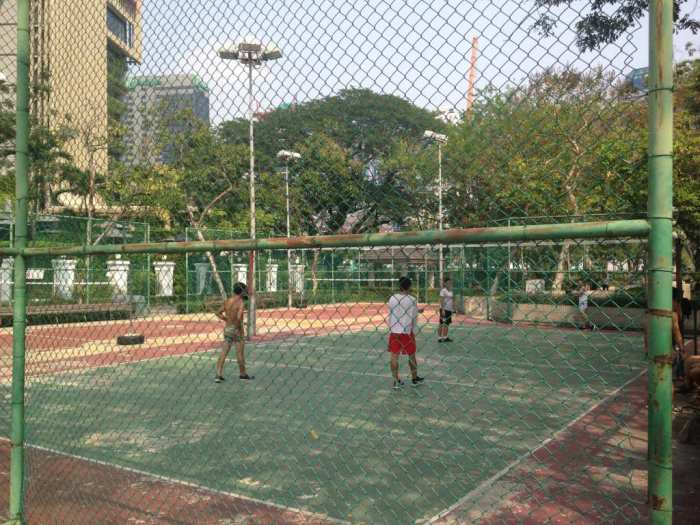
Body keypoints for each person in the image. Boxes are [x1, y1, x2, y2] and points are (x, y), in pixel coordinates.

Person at [387, 276, 424, 389]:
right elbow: (412, 315)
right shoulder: (412, 299)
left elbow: (395, 311)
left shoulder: (392, 298)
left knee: (394, 356)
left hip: (394, 331)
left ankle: (395, 380)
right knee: (411, 356)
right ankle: (414, 378)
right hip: (406, 331)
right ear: (410, 286)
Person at [215, 282, 254, 382]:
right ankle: (242, 373)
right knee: (240, 353)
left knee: (224, 352)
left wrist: (227, 319)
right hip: (237, 329)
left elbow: (218, 312)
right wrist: (240, 327)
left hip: (228, 328)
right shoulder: (240, 303)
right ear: (241, 292)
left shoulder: (228, 301)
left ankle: (218, 374)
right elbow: (238, 317)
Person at [438, 278, 454, 343]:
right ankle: (439, 338)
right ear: (445, 284)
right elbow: (441, 300)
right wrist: (443, 310)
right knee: (442, 324)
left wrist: (453, 309)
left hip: (449, 310)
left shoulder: (451, 291)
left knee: (447, 324)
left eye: (450, 283)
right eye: (447, 283)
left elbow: (452, 300)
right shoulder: (443, 291)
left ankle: (445, 337)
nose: (449, 284)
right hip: (444, 309)